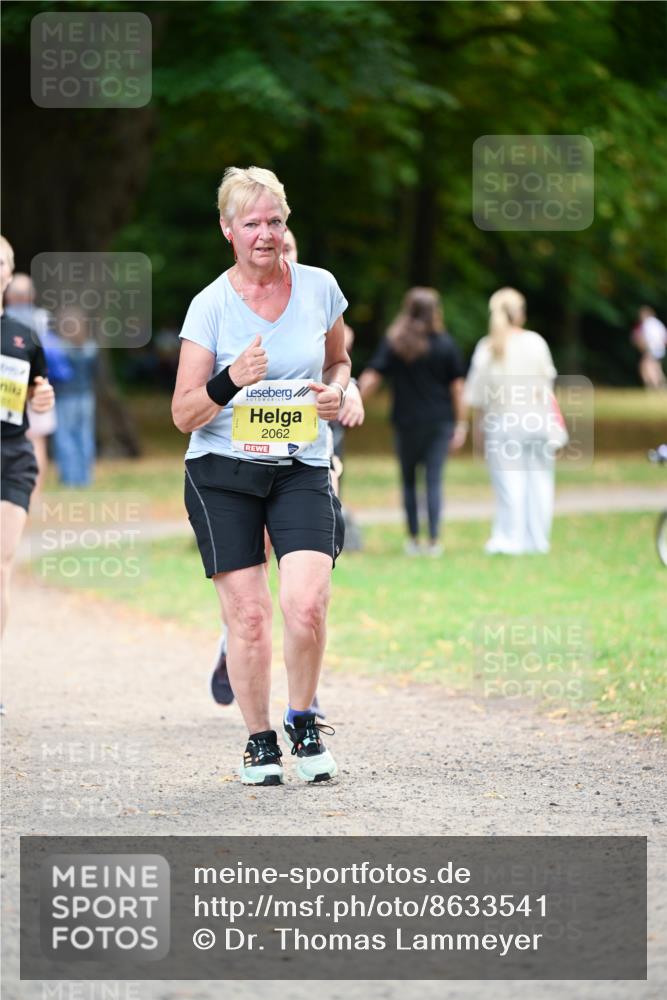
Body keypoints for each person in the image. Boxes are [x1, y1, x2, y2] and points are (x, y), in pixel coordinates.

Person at [172, 166, 350, 786]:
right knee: (247, 617)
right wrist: (232, 379)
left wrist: (335, 392)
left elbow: (339, 359)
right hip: (221, 472)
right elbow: (183, 411)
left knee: (306, 605)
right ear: (228, 230)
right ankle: (258, 740)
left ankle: (302, 717)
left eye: (276, 221)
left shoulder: (320, 287)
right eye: (252, 224)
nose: (267, 234)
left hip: (299, 465)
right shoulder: (209, 307)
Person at [358, 287, 466, 556]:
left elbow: (373, 375)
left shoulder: (396, 342)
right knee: (433, 480)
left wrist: (353, 400)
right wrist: (461, 423)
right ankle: (434, 541)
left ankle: (413, 539)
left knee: (408, 481)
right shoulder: (445, 344)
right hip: (439, 423)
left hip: (406, 422)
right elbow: (458, 389)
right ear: (435, 311)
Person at [462, 286, 559, 555]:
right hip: (537, 420)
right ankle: (537, 540)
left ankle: (508, 539)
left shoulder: (488, 347)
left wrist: (477, 432)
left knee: (509, 484)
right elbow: (547, 386)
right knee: (540, 482)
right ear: (521, 314)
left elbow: (477, 396)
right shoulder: (536, 342)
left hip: (503, 423)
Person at [0, 237, 55, 637]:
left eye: (3, 262)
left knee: (1, 563)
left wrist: (42, 397)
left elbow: (38, 391)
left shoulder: (24, 336)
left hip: (11, 456)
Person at [4, 273, 67, 500]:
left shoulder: (6, 318)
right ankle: (35, 494)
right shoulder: (42, 318)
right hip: (40, 383)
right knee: (37, 441)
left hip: (9, 386)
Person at [52, 306, 99, 486]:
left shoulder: (60, 348)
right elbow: (95, 373)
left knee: (65, 436)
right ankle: (85, 477)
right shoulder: (91, 347)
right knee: (85, 435)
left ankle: (70, 478)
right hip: (86, 396)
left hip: (65, 396)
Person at [632, 306, 666, 390]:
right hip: (660, 349)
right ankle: (661, 384)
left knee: (647, 366)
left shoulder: (647, 323)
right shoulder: (658, 323)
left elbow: (642, 338)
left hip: (651, 348)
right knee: (656, 367)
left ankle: (654, 385)